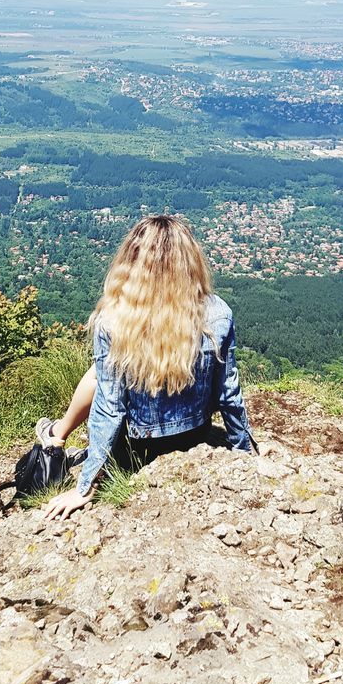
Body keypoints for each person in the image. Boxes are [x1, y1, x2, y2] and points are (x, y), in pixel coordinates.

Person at [38, 213, 256, 522]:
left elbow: (109, 409)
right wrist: (243, 450)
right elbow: (228, 393)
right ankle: (58, 434)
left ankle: (57, 434)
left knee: (101, 374)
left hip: (138, 451)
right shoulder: (218, 313)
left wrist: (84, 487)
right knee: (106, 372)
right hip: (196, 436)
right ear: (190, 261)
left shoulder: (114, 321)